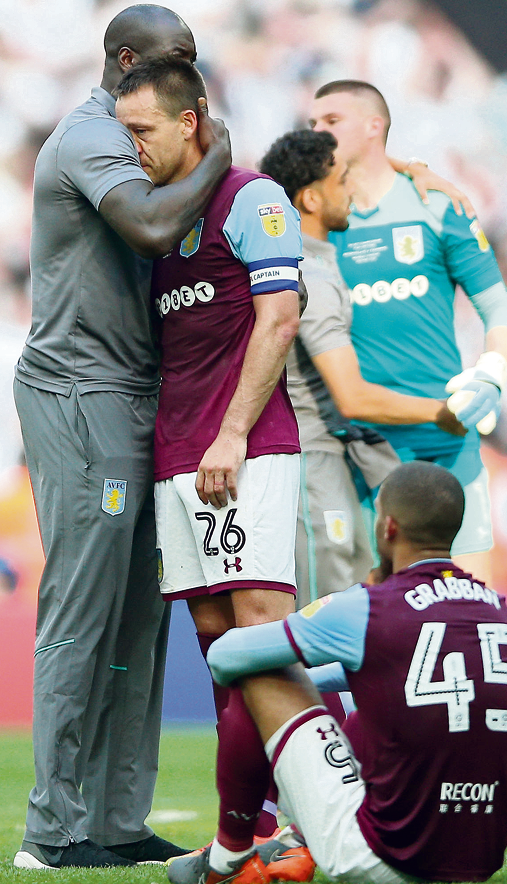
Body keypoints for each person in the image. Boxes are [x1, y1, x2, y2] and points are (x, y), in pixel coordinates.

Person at [12, 5, 231, 870]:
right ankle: (52, 830)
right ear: (128, 59)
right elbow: (150, 226)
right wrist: (216, 153)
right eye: (178, 57)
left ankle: (113, 818)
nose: (193, 72)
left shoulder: (151, 138)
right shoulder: (92, 137)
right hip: (79, 390)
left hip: (140, 391)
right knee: (83, 607)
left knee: (142, 615)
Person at [113, 56, 302, 871]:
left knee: (261, 636)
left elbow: (279, 318)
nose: (131, 147)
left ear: (188, 122)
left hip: (243, 446)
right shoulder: (157, 220)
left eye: (141, 131)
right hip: (175, 455)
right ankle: (248, 833)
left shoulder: (251, 198)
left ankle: (308, 817)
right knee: (217, 640)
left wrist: (231, 434)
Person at [169, 461, 507, 884]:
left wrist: (296, 682)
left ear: (388, 527)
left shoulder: (370, 605)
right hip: (476, 861)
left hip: (387, 856)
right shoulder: (497, 610)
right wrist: (339, 677)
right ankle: (295, 840)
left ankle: (228, 860)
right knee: (374, 706)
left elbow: (225, 657)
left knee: (258, 670)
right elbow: (401, 680)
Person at [309, 80, 507, 585]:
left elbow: (500, 311)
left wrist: (490, 375)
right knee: (374, 622)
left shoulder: (438, 206)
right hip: (362, 445)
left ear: (373, 126)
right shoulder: (316, 218)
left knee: (467, 602)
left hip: (447, 439)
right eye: (313, 123)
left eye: (331, 121)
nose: (317, 132)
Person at [259, 129, 465, 606]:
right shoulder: (306, 275)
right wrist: (441, 412)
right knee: (322, 608)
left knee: (350, 588)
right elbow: (351, 395)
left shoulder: (315, 266)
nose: (351, 189)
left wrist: (412, 166)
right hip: (307, 456)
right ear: (310, 198)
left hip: (330, 455)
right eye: (341, 179)